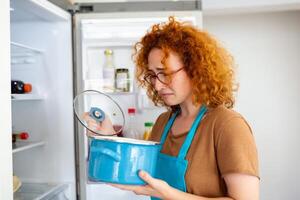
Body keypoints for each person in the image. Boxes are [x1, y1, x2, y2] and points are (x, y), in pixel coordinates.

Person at [109, 16, 259, 200]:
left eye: (164, 73)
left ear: (195, 69)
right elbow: (138, 173)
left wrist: (169, 194)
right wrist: (108, 137)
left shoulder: (227, 125)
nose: (157, 86)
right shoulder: (163, 122)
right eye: (153, 76)